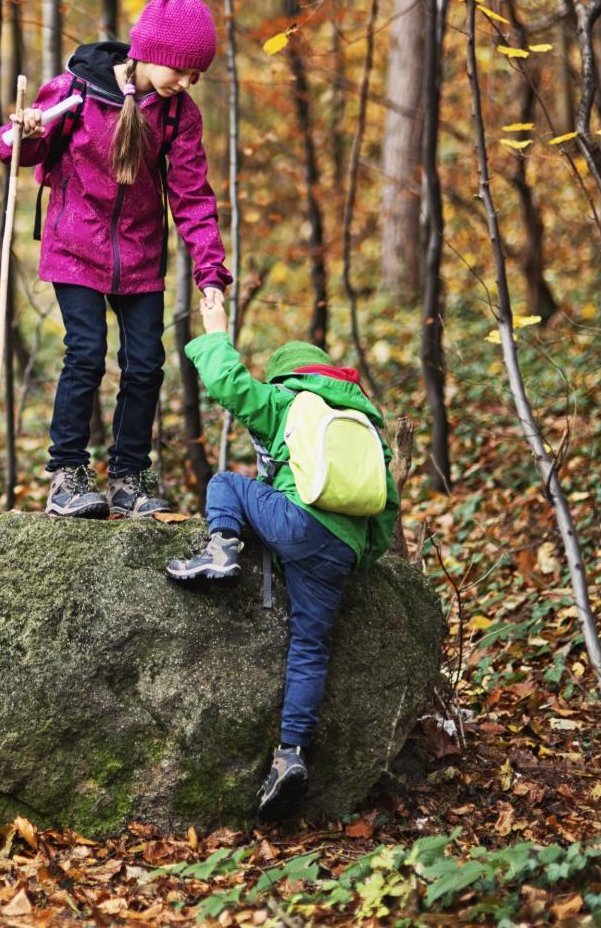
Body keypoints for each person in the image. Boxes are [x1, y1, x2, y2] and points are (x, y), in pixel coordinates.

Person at [167, 290, 402, 819]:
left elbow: (229, 385)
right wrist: (360, 557)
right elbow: (385, 507)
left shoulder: (289, 402)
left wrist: (214, 332)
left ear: (287, 376)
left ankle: (222, 549)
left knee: (228, 481)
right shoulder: (367, 426)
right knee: (310, 646)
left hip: (297, 523)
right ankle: (290, 753)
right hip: (340, 551)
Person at [0, 0, 231, 520]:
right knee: (85, 353)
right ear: (149, 50)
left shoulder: (178, 116)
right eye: (182, 69)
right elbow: (15, 149)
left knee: (146, 364)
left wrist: (210, 273)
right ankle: (67, 474)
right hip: (75, 246)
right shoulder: (76, 90)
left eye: (196, 75)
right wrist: (25, 131)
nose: (186, 82)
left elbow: (193, 196)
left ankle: (129, 475)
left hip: (141, 255)